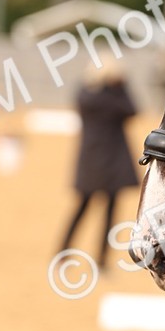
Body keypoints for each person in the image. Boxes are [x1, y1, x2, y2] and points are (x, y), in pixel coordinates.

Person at [57, 59, 139, 267]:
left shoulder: (86, 95)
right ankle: (100, 259)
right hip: (110, 159)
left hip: (92, 159)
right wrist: (121, 86)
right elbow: (132, 110)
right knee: (105, 211)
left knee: (83, 208)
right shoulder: (111, 98)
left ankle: (63, 252)